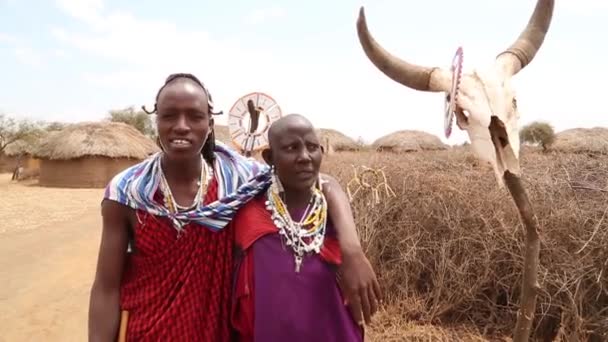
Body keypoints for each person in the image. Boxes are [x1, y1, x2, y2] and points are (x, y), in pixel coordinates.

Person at [88, 73, 381, 341]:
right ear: (157, 121)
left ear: (210, 124)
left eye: (194, 116)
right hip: (149, 334)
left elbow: (322, 182)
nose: (181, 126)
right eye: (169, 116)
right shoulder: (127, 191)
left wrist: (352, 251)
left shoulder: (239, 178)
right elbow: (106, 287)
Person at [231, 114, 370, 341]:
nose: (305, 157)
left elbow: (328, 182)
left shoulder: (332, 215)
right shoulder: (249, 215)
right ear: (269, 157)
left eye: (312, 147)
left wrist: (353, 250)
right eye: (291, 148)